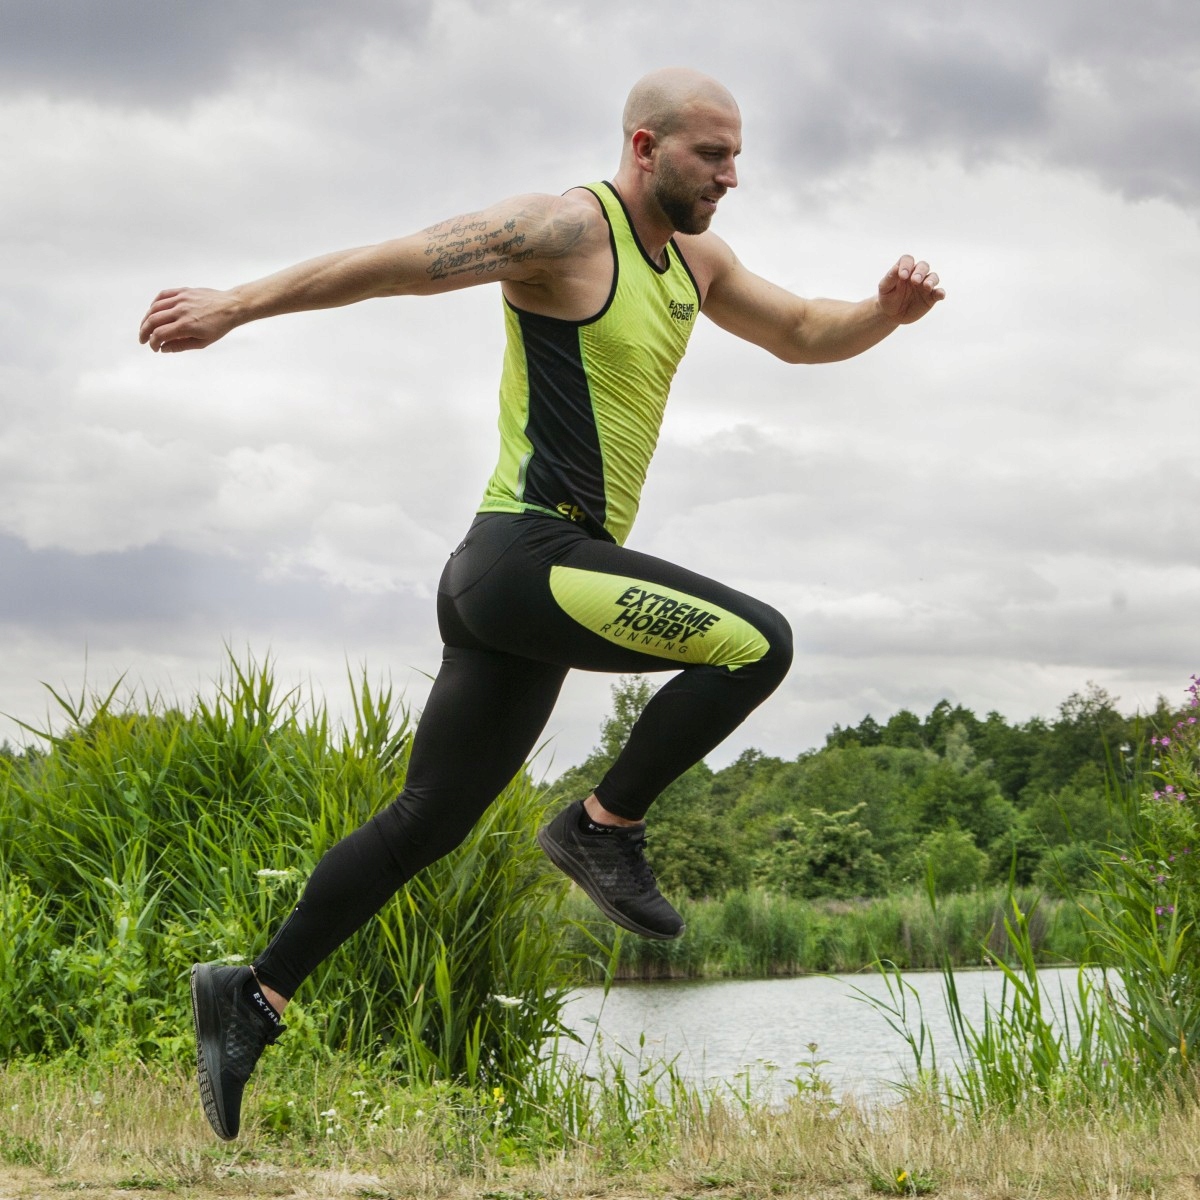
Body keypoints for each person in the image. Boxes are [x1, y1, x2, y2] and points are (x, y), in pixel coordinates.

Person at [140, 67, 944, 1141]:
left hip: (525, 586)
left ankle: (253, 995)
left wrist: (884, 314)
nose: (733, 176)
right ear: (646, 146)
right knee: (757, 646)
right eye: (713, 154)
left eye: (739, 155)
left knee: (427, 821)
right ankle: (601, 827)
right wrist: (237, 303)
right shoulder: (565, 229)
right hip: (526, 556)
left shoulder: (696, 263)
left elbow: (801, 330)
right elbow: (402, 262)